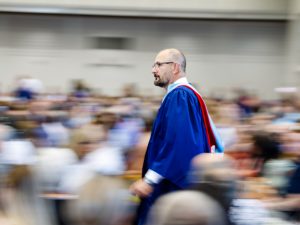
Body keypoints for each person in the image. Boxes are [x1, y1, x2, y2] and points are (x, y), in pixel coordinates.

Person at [130, 48, 223, 225]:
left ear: (174, 67)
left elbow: (177, 143)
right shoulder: (184, 95)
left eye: (158, 64)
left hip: (171, 185)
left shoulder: (180, 96)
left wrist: (150, 180)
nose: (153, 69)